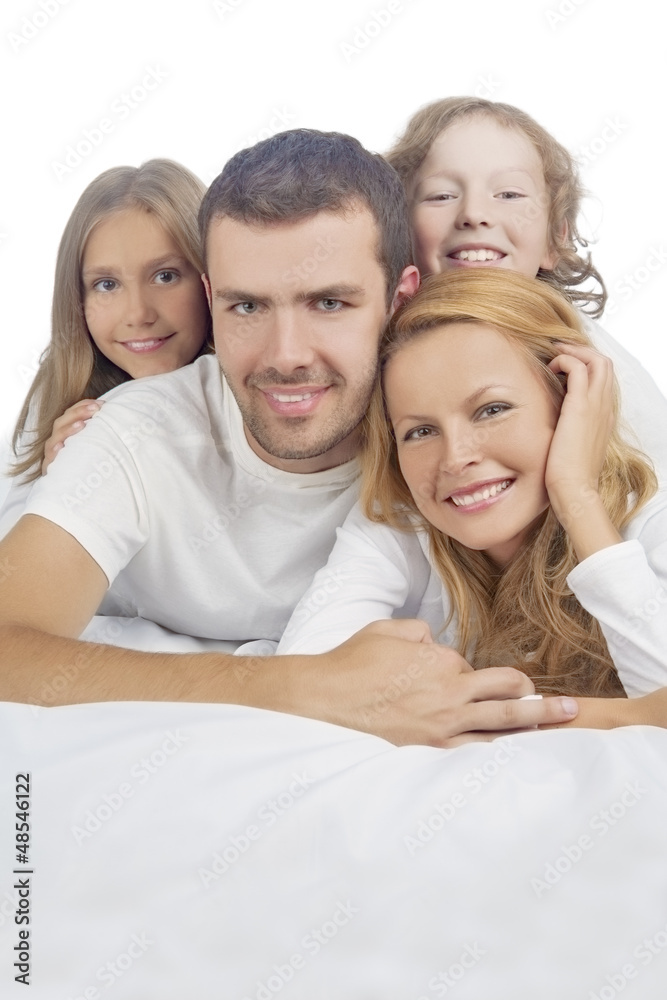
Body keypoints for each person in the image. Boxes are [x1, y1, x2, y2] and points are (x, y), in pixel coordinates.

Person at [0, 129, 579, 747]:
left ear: (399, 297)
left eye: (329, 303)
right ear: (210, 299)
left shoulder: (465, 437)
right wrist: (295, 686)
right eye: (247, 308)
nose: (286, 356)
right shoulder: (135, 431)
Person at [278, 269, 667, 715]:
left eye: (491, 410)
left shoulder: (650, 521)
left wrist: (576, 494)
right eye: (420, 431)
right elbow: (304, 686)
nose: (455, 458)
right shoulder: (402, 522)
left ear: (569, 403)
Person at [385, 96, 667, 480]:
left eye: (509, 195)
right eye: (442, 196)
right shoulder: (385, 347)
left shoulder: (600, 370)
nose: (474, 214)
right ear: (402, 232)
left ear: (554, 241)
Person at [0, 158, 213, 537]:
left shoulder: (248, 383)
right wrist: (53, 484)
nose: (138, 314)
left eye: (165, 276)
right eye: (107, 285)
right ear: (78, 298)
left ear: (209, 280)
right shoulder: (64, 382)